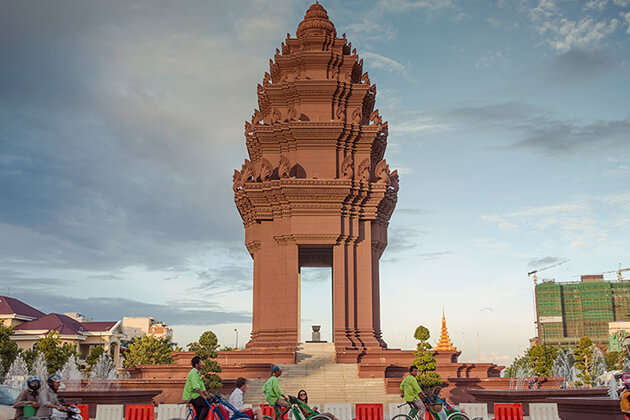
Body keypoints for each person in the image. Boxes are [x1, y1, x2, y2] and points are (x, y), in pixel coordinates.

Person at [183, 356, 211, 420]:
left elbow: (202, 387)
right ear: (196, 364)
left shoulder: (197, 373)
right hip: (192, 396)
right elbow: (196, 388)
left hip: (196, 395)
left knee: (199, 411)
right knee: (206, 406)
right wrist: (204, 397)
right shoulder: (193, 373)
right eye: (200, 363)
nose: (202, 364)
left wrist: (207, 395)